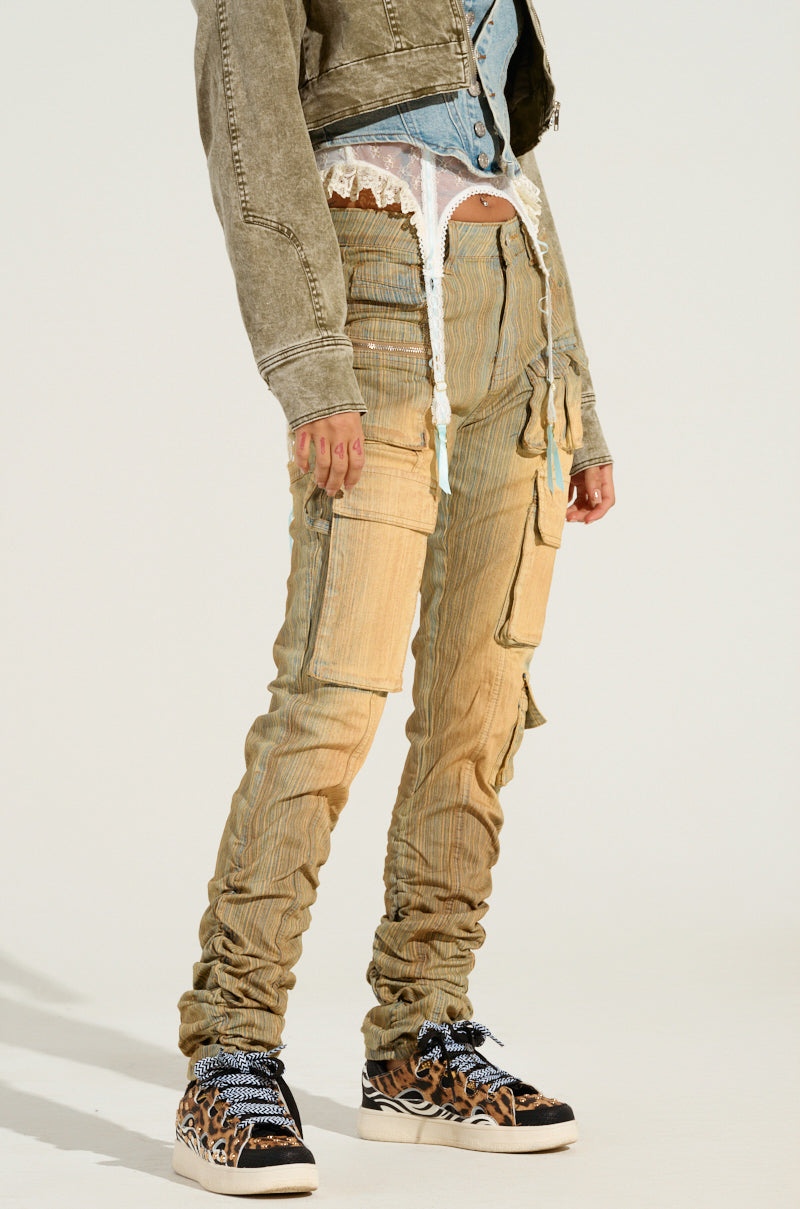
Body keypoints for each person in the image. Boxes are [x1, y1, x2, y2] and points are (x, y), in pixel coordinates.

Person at [172, 0, 615, 1196]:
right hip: (372, 301)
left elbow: (507, 146)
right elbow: (250, 125)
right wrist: (306, 362)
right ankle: (230, 1049)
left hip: (516, 311)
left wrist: (576, 395)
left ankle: (423, 1033)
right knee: (333, 694)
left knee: (481, 703)